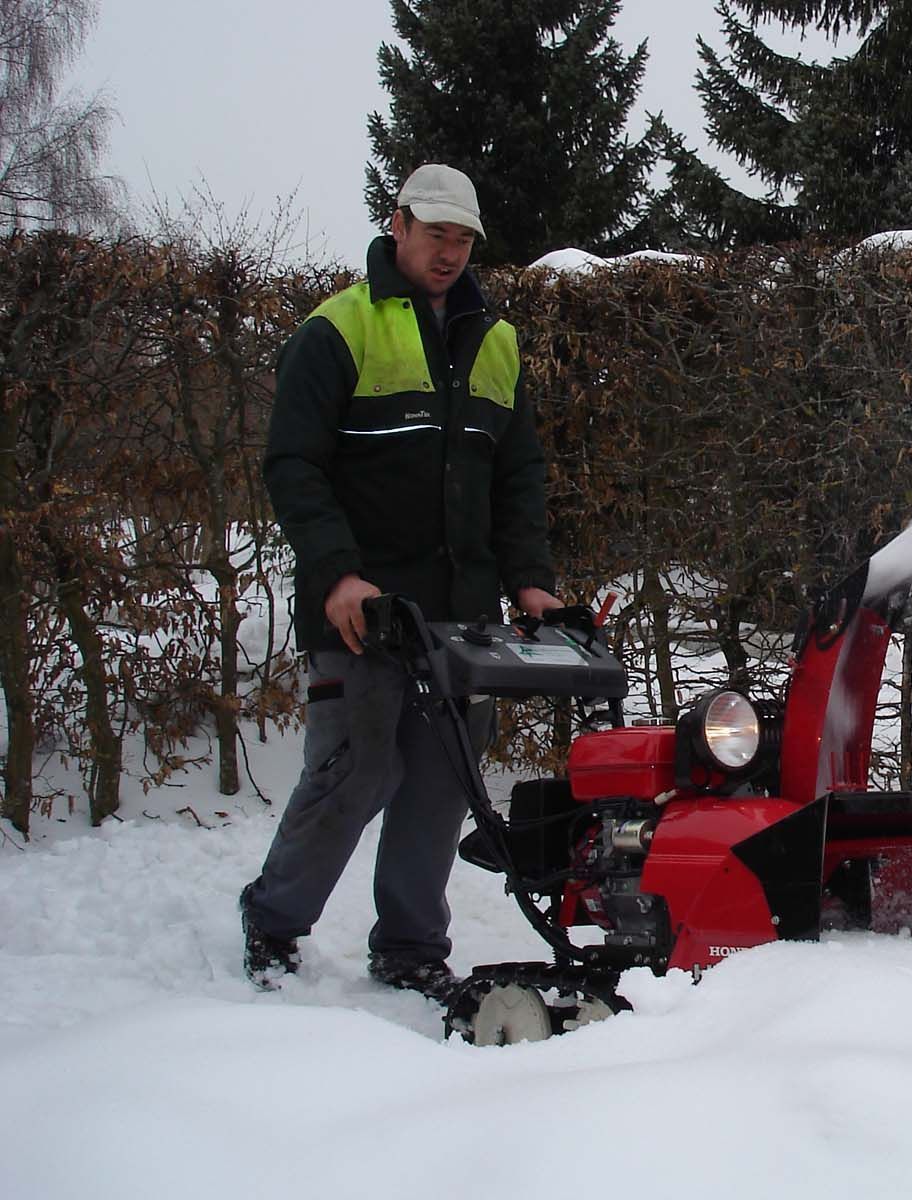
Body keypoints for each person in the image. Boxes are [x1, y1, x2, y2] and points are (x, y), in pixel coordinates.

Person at [241, 164, 561, 1000]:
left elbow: (517, 474)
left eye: (463, 239)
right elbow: (295, 466)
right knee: (356, 771)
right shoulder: (339, 329)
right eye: (436, 234)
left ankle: (411, 945)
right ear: (399, 225)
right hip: (364, 608)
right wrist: (337, 576)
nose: (450, 252)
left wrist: (528, 581)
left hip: (462, 613)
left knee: (442, 779)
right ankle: (274, 918)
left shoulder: (496, 340)